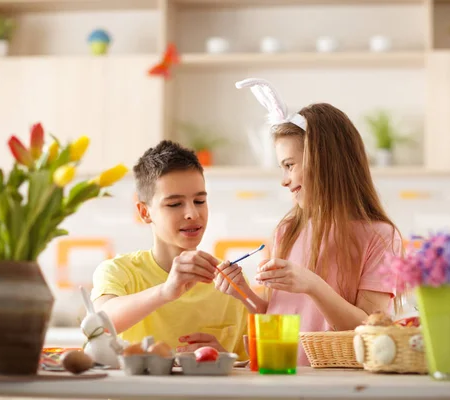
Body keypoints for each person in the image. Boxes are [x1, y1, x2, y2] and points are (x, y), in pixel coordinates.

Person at [215, 78, 402, 366]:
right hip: (284, 376)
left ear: (324, 161)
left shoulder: (380, 237)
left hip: (341, 384)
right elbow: (280, 317)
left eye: (290, 165)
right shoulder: (287, 230)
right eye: (282, 167)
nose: (284, 180)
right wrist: (244, 293)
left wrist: (313, 285)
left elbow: (370, 332)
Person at [91, 140, 248, 358]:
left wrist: (224, 357)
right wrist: (166, 291)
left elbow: (250, 373)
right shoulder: (119, 271)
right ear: (145, 212)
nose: (192, 213)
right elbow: (100, 323)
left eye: (200, 200)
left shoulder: (230, 283)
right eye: (175, 204)